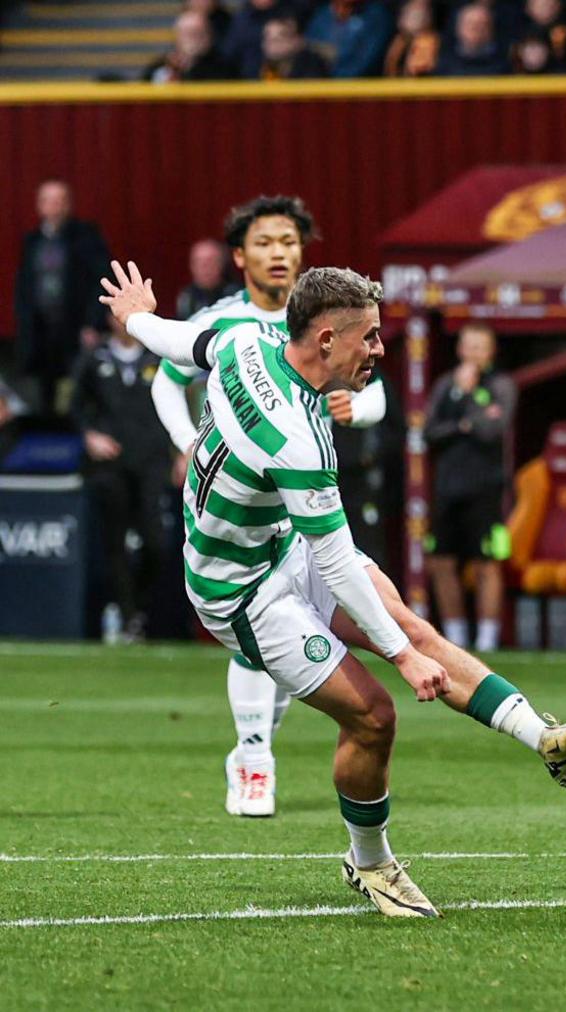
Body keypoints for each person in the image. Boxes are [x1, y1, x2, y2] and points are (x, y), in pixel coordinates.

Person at [100, 261, 566, 917]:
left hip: (282, 541)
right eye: (368, 337)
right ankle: (372, 865)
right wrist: (399, 659)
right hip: (243, 592)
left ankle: (544, 738)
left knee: (412, 626)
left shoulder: (239, 338)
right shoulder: (295, 442)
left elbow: (177, 342)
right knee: (374, 716)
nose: (379, 349)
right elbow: (336, 562)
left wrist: (137, 317)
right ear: (327, 339)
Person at [151, 195, 389, 818]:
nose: (278, 253)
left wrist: (354, 407)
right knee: (256, 628)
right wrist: (187, 443)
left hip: (309, 486)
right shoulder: (224, 319)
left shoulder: (327, 317)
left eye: (288, 241)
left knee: (291, 630)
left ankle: (256, 745)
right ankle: (254, 758)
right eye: (264, 242)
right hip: (238, 497)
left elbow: (378, 398)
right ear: (240, 256)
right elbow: (166, 380)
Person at [70, 315, 170, 644]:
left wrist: (184, 450)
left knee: (158, 542)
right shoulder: (94, 357)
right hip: (111, 463)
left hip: (152, 460)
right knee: (115, 544)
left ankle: (139, 605)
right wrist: (89, 436)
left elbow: (183, 400)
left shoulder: (159, 356)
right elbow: (74, 406)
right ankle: (128, 619)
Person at [424, 322, 516, 653]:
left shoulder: (501, 385)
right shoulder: (446, 385)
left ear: (491, 351)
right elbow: (430, 432)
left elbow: (494, 430)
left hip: (486, 489)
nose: (474, 353)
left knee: (486, 563)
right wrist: (465, 409)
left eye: (481, 346)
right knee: (441, 562)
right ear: (460, 349)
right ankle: (455, 637)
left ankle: (488, 638)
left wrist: (465, 416)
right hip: (448, 488)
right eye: (469, 346)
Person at [13, 180, 111, 417]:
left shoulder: (85, 237)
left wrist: (93, 323)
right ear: (40, 206)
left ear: (68, 205)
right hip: (41, 327)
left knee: (78, 384)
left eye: (60, 201)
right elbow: (24, 287)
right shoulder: (32, 241)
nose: (55, 207)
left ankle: (80, 434)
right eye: (49, 201)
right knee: (43, 387)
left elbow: (101, 280)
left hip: (76, 326)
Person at [306, 0, 395, 77]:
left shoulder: (376, 17)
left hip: (358, 91)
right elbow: (309, 54)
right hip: (317, 88)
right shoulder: (321, 17)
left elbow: (362, 65)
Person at [144, 10, 239, 81]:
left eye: (199, 33)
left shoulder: (224, 68)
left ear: (209, 36)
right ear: (177, 36)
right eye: (188, 33)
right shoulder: (161, 66)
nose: (194, 38)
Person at [176, 240, 240, 321]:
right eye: (198, 262)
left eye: (210, 261)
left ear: (221, 264)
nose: (204, 267)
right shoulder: (187, 297)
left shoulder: (236, 296)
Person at [438, 4, 511, 74]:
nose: (476, 28)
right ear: (458, 28)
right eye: (470, 23)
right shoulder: (444, 63)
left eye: (482, 24)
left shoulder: (505, 63)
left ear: (491, 29)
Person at [258, 16, 333, 78]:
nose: (272, 43)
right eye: (267, 37)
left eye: (280, 37)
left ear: (297, 41)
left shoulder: (312, 67)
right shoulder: (259, 66)